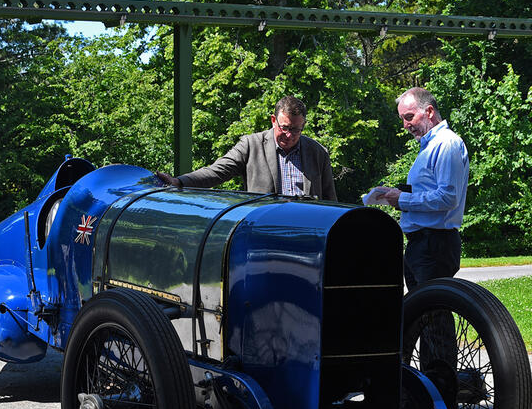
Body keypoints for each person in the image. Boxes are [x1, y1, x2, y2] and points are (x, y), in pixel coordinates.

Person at [371, 87, 469, 290]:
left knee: (433, 314)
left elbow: (448, 197)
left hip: (434, 244)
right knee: (422, 314)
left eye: (409, 117)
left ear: (429, 112)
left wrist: (403, 200)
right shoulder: (429, 146)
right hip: (423, 243)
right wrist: (396, 196)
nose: (406, 125)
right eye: (402, 119)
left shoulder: (446, 144)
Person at [155, 95, 337, 200]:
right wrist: (179, 182)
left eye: (296, 130)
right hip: (263, 230)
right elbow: (217, 172)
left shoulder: (318, 153)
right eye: (285, 128)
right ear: (273, 121)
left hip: (308, 234)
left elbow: (330, 201)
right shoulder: (251, 145)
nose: (289, 135)